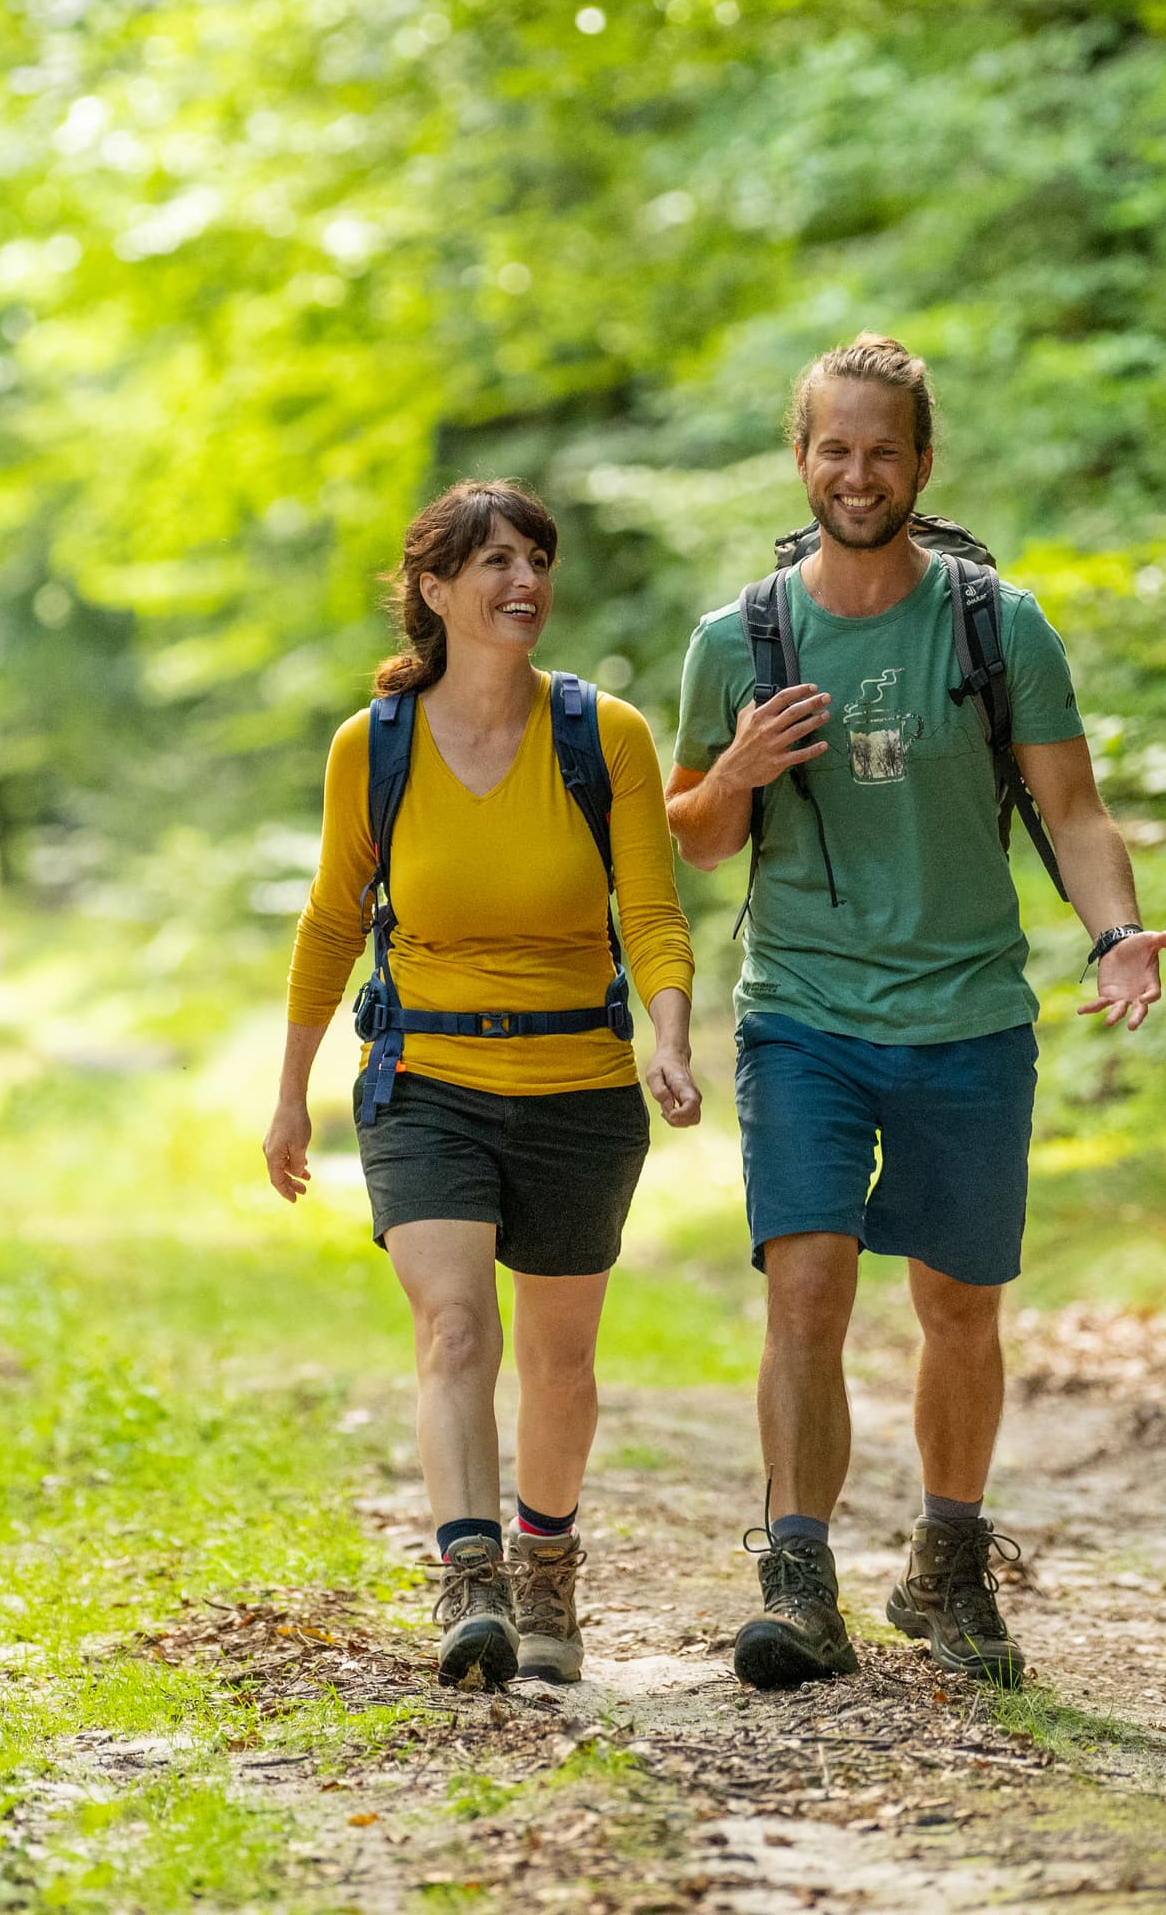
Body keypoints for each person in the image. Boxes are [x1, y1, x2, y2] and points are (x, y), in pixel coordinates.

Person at [666, 337, 1166, 1691]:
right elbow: (696, 840)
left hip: (965, 1014)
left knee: (959, 1302)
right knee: (807, 1287)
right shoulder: (740, 639)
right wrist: (737, 769)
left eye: (883, 449)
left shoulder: (995, 624)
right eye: (835, 447)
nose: (858, 472)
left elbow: (1070, 810)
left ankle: (949, 1565)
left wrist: (1115, 934)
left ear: (922, 463)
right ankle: (796, 1573)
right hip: (805, 1012)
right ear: (802, 457)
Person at [268, 479, 702, 1690]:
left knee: (561, 1363)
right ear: (435, 588)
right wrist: (292, 1090)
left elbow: (653, 911)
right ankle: (473, 1583)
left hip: (577, 1079)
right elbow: (328, 922)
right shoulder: (376, 744)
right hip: (426, 1078)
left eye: (537, 559)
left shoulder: (602, 733)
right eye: (496, 561)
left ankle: (546, 1559)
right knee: (456, 1325)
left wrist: (669, 1036)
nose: (524, 582)